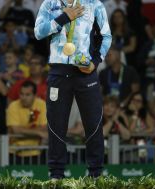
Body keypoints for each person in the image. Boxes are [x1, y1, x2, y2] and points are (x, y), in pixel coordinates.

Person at [35, 0, 112, 178]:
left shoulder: (94, 4)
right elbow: (38, 32)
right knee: (56, 125)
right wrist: (63, 17)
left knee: (93, 124)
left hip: (86, 71)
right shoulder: (49, 3)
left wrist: (95, 62)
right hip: (59, 72)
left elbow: (106, 36)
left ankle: (96, 174)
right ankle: (56, 175)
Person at [7, 81, 47, 162]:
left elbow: (44, 128)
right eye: (21, 94)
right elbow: (15, 130)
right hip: (15, 152)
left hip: (36, 152)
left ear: (35, 95)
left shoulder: (42, 105)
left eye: (27, 95)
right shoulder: (13, 106)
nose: (23, 97)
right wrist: (38, 133)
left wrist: (23, 130)